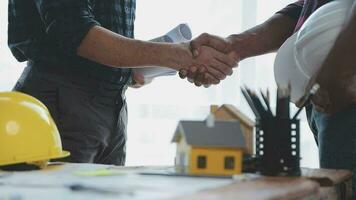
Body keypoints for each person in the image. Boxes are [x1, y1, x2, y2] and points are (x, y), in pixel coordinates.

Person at [8, 0, 238, 165]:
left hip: (111, 105)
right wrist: (183, 55)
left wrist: (132, 68)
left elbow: (99, 39)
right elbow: (76, 33)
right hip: (63, 100)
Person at [181, 0, 356, 197]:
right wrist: (234, 45)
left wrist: (340, 70)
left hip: (343, 80)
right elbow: (310, 8)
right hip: (331, 81)